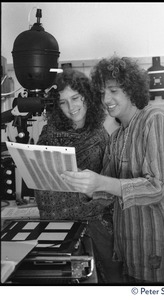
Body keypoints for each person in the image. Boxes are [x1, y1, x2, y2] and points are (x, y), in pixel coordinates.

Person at [61, 56, 164, 283]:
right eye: (102, 92)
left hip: (161, 244)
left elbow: (156, 187)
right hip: (132, 247)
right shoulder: (117, 137)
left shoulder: (155, 120)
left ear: (132, 90)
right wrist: (80, 184)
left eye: (113, 91)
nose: (106, 99)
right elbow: (107, 191)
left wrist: (100, 183)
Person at [34, 68, 121, 283]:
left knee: (104, 282)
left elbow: (111, 188)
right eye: (63, 102)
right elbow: (38, 179)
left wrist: (89, 187)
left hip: (95, 227)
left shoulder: (101, 136)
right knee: (69, 284)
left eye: (75, 98)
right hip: (57, 228)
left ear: (87, 97)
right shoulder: (49, 132)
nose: (71, 107)